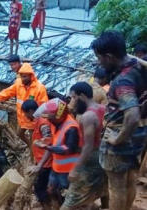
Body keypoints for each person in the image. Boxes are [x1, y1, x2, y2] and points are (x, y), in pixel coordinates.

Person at [91, 31, 147, 210]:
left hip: (120, 134)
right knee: (130, 180)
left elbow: (132, 116)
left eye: (99, 57)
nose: (99, 62)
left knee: (116, 188)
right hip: (139, 134)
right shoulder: (138, 66)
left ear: (109, 56)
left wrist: (117, 139)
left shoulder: (123, 82)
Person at [59, 82, 107, 209]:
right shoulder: (102, 109)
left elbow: (88, 146)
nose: (73, 101)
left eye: (74, 98)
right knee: (101, 188)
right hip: (101, 155)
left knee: (71, 200)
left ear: (82, 96)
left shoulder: (88, 116)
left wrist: (75, 169)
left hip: (90, 158)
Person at [34, 98, 82, 209]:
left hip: (68, 169)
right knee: (51, 190)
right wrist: (47, 142)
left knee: (65, 193)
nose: (47, 120)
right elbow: (55, 139)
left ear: (57, 117)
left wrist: (48, 147)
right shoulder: (56, 123)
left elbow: (69, 149)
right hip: (56, 167)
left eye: (50, 118)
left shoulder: (71, 127)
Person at [0, 63, 48, 149]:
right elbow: (8, 91)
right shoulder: (19, 83)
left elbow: (43, 105)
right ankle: (30, 146)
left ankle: (33, 156)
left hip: (33, 120)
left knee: (34, 141)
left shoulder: (40, 88)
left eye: (25, 76)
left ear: (31, 76)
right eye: (21, 76)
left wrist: (36, 117)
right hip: (22, 118)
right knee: (19, 133)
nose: (22, 79)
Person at [22, 99, 52, 210]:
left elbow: (50, 144)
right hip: (43, 162)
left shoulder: (43, 123)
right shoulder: (41, 118)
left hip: (46, 164)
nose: (25, 116)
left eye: (25, 113)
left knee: (40, 189)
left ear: (30, 111)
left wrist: (40, 165)